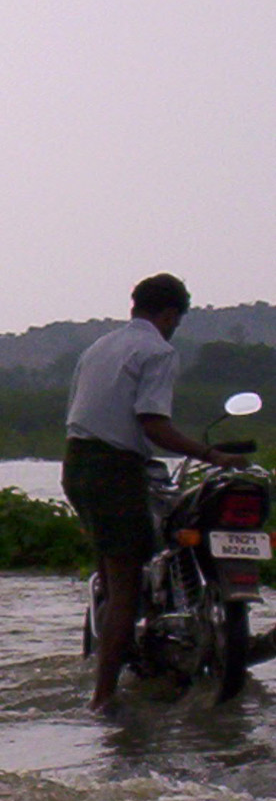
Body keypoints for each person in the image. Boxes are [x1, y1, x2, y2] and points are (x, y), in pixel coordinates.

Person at [62, 272, 245, 712]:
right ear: (169, 315)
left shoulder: (99, 347)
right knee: (126, 585)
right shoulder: (157, 350)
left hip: (77, 463)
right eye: (176, 320)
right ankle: (103, 699)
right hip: (114, 467)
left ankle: (118, 663)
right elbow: (153, 424)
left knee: (111, 573)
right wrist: (211, 455)